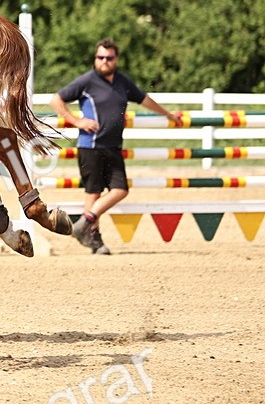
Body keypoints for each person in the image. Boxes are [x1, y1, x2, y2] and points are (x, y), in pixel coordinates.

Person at [49, 38, 183, 254]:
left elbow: (144, 99)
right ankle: (95, 240)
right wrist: (76, 121)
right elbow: (56, 100)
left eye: (109, 58)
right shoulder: (87, 81)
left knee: (120, 190)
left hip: (113, 147)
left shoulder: (123, 81)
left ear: (116, 59)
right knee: (93, 192)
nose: (104, 61)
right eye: (100, 57)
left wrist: (167, 114)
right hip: (90, 146)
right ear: (95, 59)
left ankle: (84, 223)